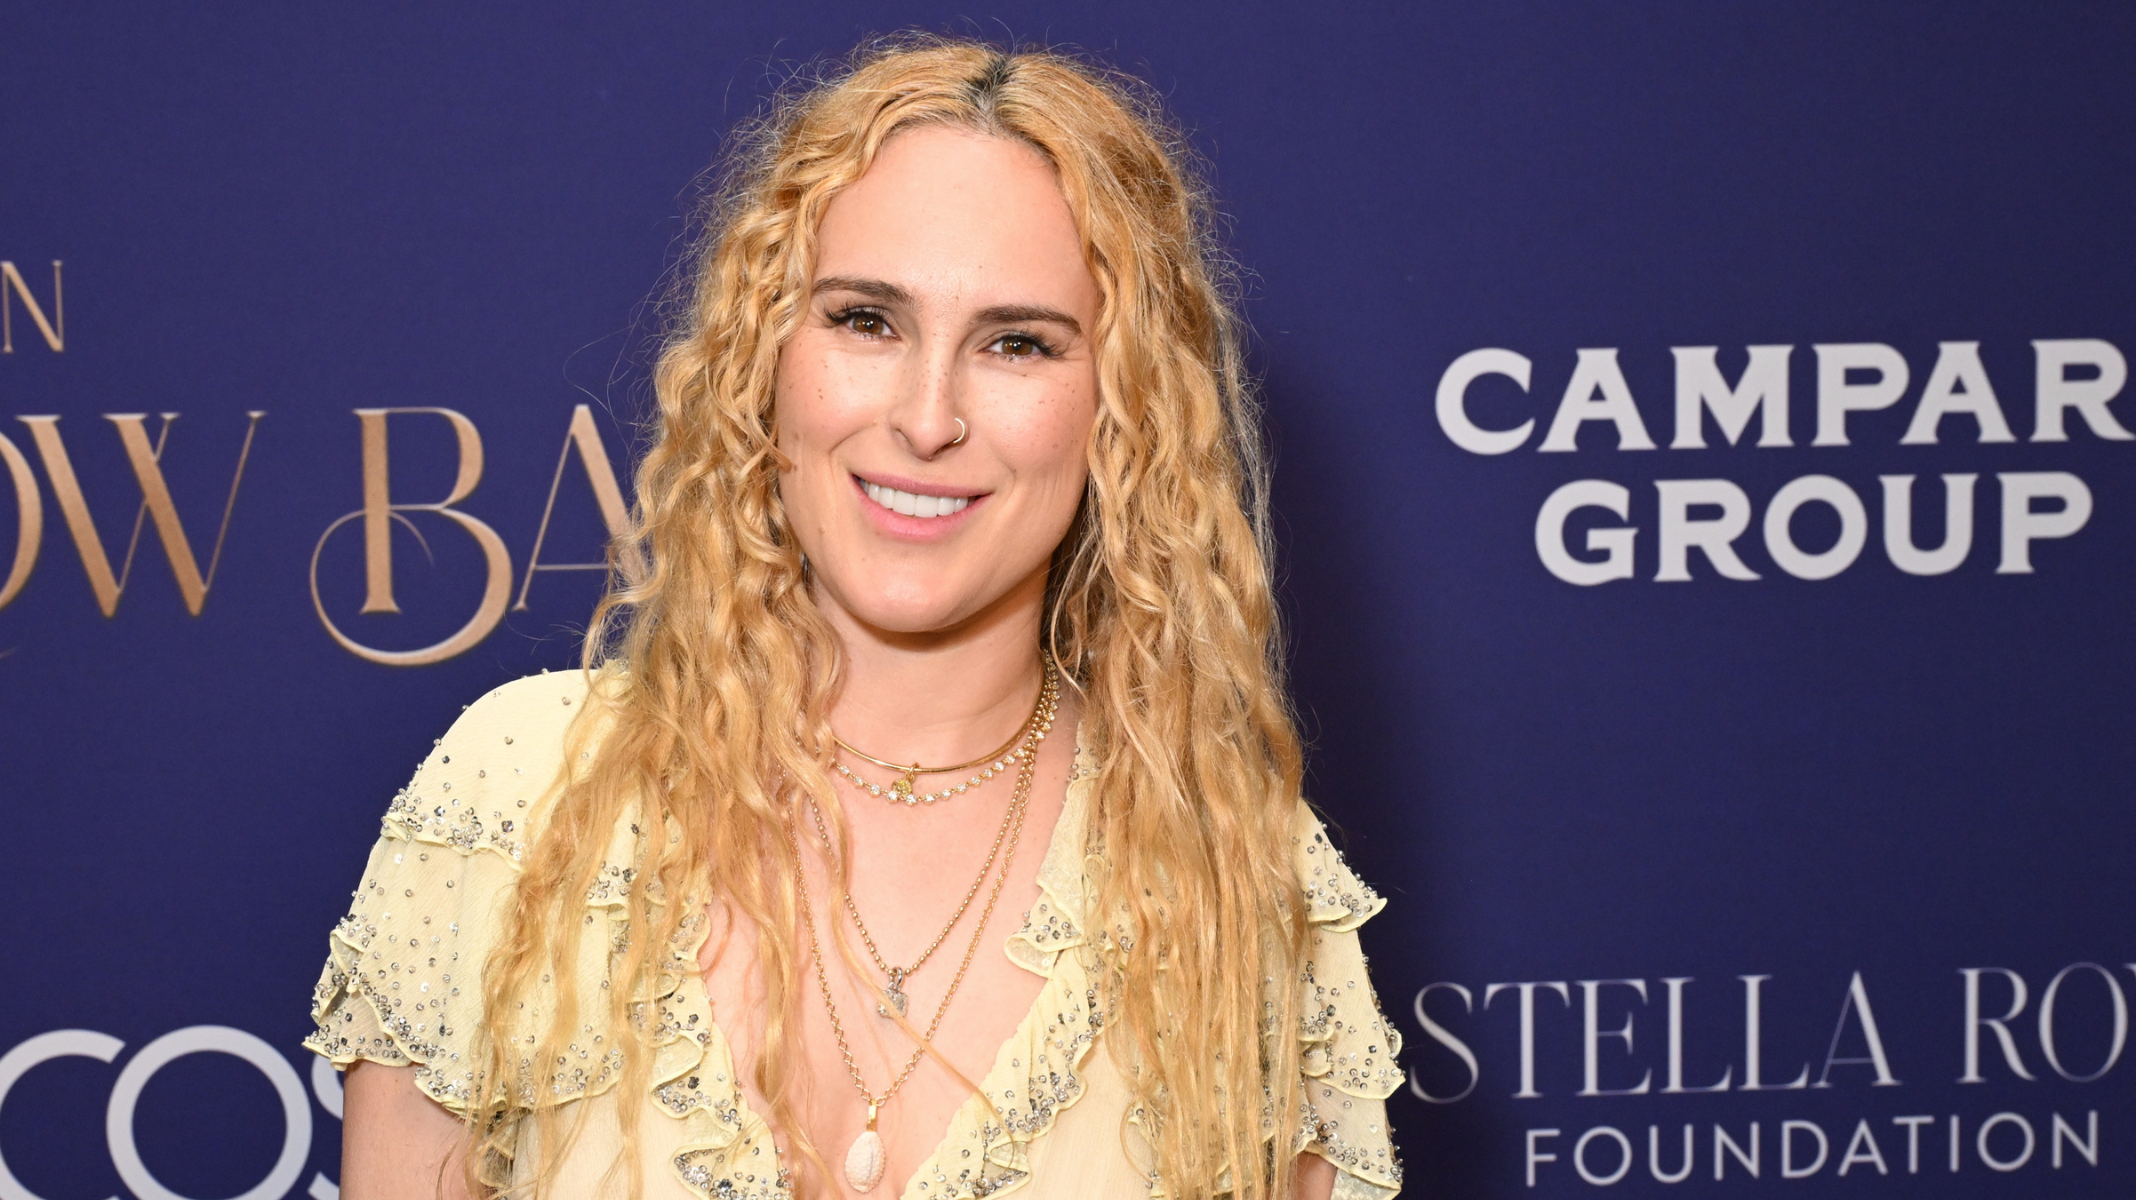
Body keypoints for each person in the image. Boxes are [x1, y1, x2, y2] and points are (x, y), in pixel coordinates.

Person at [305, 34, 1402, 1200]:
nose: (927, 419)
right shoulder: (523, 803)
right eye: (868, 321)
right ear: (767, 354)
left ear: (1122, 408)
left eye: (1017, 343)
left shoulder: (1235, 874)